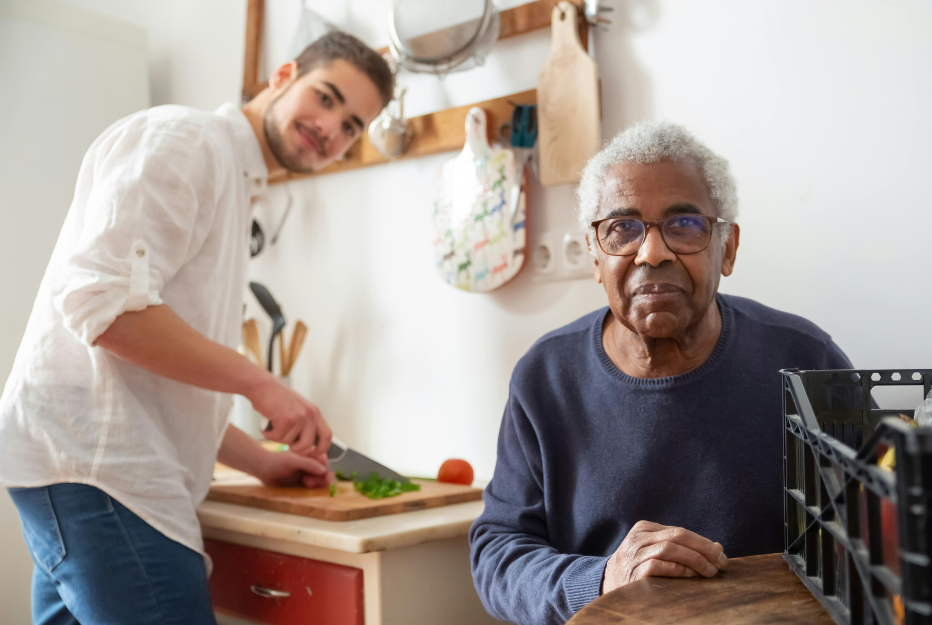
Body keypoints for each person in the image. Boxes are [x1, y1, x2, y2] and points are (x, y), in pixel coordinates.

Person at [0, 31, 392, 624]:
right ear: (282, 76)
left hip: (85, 471)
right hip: (104, 479)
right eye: (327, 97)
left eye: (353, 126)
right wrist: (261, 383)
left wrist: (258, 461)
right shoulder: (188, 142)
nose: (332, 129)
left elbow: (151, 374)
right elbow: (99, 306)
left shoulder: (232, 181)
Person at [469, 121, 855, 625]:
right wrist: (606, 579)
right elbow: (498, 552)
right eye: (622, 228)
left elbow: (872, 531)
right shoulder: (546, 377)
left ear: (728, 248)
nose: (652, 253)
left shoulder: (807, 360)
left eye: (685, 226)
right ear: (594, 253)